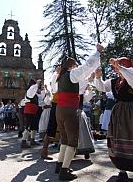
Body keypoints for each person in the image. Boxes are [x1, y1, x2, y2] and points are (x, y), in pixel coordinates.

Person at [55, 43, 102, 181]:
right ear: (72, 65)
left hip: (60, 110)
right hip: (70, 110)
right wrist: (97, 52)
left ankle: (59, 164)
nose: (76, 66)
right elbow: (87, 66)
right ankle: (64, 171)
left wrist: (91, 78)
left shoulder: (61, 77)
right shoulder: (72, 74)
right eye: (75, 64)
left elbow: (81, 84)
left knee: (64, 138)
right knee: (72, 141)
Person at [21, 79, 42, 148]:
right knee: (28, 126)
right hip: (29, 110)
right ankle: (23, 141)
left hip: (34, 110)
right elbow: (33, 89)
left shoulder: (35, 94)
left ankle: (32, 140)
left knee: (34, 126)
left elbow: (41, 99)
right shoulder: (29, 91)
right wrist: (37, 84)